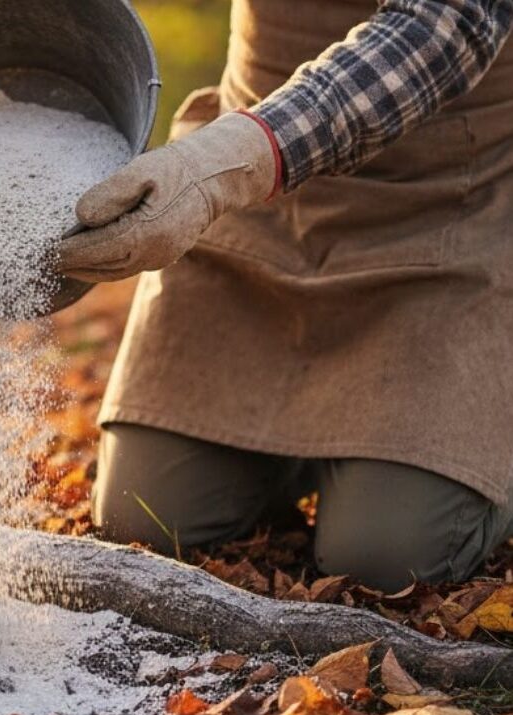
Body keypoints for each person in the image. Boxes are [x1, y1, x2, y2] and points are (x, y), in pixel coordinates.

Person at [53, 0, 513, 592]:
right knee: (142, 518)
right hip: (254, 207)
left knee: (385, 559)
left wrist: (217, 165)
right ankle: (327, 457)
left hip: (445, 205)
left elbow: (442, 27)